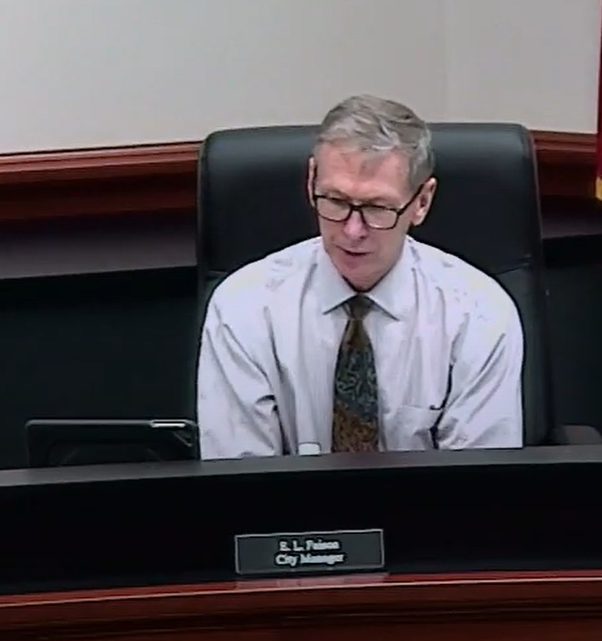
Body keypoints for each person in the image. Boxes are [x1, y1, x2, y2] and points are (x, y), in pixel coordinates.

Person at [197, 95, 524, 459]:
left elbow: (477, 482)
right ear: (311, 181)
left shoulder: (479, 314)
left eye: (377, 207)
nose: (353, 231)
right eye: (336, 201)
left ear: (422, 202)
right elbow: (239, 482)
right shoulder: (243, 308)